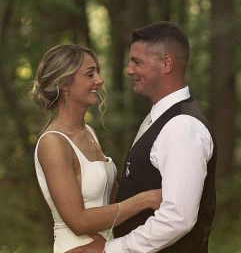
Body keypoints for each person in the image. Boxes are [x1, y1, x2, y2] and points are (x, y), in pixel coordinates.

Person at [67, 21, 216, 253]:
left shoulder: (182, 126)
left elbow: (178, 218)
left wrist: (111, 250)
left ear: (167, 64)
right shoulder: (158, 119)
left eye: (137, 62)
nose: (129, 70)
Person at [31, 43, 164, 253]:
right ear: (65, 84)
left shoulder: (89, 133)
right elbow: (78, 221)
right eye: (90, 74)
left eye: (98, 73)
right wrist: (145, 199)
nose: (100, 81)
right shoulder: (53, 143)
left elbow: (110, 204)